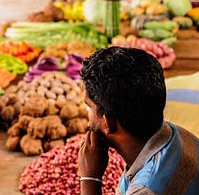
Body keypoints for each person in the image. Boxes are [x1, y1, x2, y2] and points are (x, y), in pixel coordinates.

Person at [78, 46, 199, 195]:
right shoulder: (176, 133)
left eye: (89, 106)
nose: (87, 116)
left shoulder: (146, 190)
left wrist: (90, 179)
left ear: (108, 122)